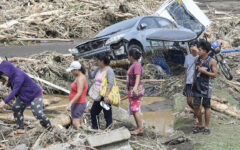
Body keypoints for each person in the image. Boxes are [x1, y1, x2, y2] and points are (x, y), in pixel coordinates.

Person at [0, 60, 52, 136]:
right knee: (16, 107)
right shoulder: (11, 76)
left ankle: (50, 129)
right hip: (24, 96)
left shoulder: (18, 75)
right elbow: (13, 87)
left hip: (35, 95)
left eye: (3, 72)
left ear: (8, 70)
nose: (3, 74)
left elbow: (15, 90)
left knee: (37, 113)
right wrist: (14, 98)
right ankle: (20, 128)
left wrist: (4, 102)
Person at [192, 40, 217, 135]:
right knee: (196, 106)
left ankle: (206, 127)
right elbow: (195, 72)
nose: (198, 51)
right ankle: (200, 125)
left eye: (200, 50)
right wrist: (192, 83)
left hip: (206, 87)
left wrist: (204, 71)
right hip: (197, 86)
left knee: (206, 107)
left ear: (205, 51)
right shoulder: (196, 60)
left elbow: (214, 75)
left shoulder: (212, 61)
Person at [88, 53, 115, 129]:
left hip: (105, 95)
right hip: (98, 95)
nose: (97, 62)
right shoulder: (98, 68)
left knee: (107, 113)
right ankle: (96, 128)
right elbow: (91, 76)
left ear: (102, 61)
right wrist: (90, 68)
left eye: (98, 60)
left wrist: (106, 95)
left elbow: (110, 83)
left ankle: (109, 129)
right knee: (93, 112)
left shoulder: (109, 71)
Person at [66, 61, 88, 129]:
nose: (71, 72)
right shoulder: (80, 76)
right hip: (79, 103)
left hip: (79, 103)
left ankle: (80, 136)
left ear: (76, 70)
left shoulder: (80, 79)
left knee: (75, 123)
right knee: (80, 121)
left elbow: (79, 93)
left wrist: (70, 103)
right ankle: (84, 133)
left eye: (72, 70)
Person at [127, 48, 143, 135]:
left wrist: (135, 87)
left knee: (135, 109)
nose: (128, 56)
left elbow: (137, 76)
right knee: (133, 109)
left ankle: (140, 129)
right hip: (132, 89)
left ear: (131, 56)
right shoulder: (133, 64)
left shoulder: (137, 65)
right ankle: (138, 127)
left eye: (128, 55)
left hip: (135, 89)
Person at [183, 40, 199, 125]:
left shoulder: (200, 57)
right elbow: (186, 69)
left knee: (196, 101)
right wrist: (185, 81)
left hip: (197, 82)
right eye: (191, 48)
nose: (192, 50)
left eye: (194, 48)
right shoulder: (187, 57)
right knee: (189, 101)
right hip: (189, 82)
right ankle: (196, 111)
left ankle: (197, 116)